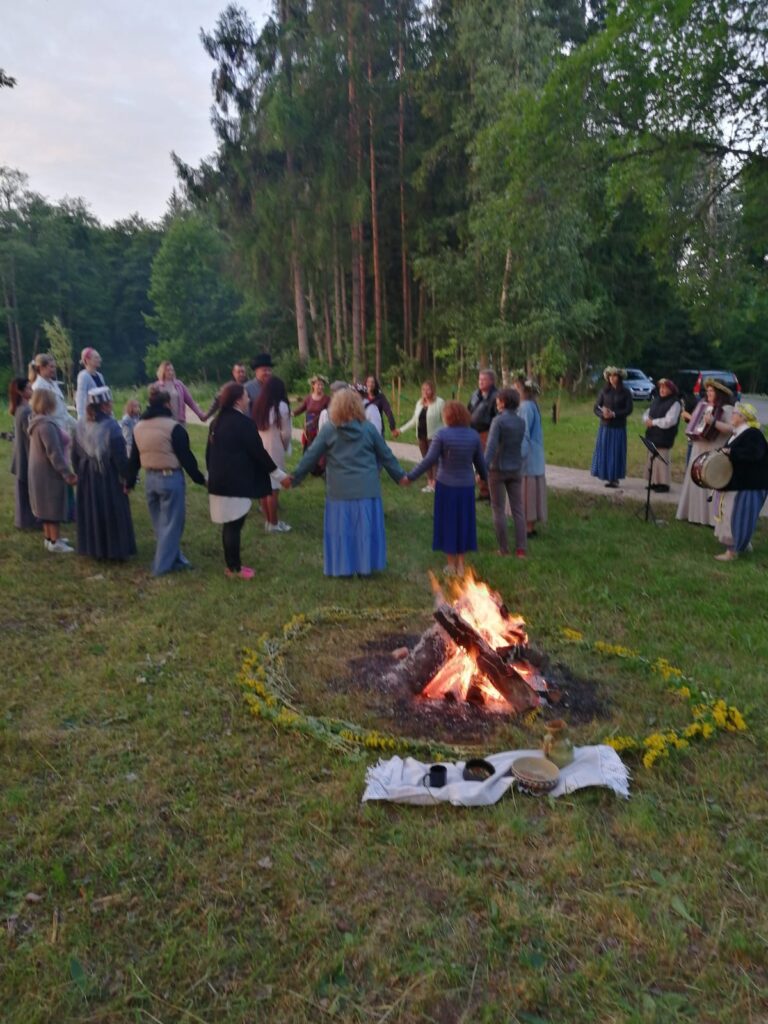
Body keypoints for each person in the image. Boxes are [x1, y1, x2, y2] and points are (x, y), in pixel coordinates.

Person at [283, 388, 408, 577]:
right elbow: (386, 455)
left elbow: (310, 456)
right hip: (367, 490)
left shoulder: (329, 430)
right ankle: (365, 567)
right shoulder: (369, 429)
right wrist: (400, 476)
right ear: (358, 406)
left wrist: (294, 478)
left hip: (339, 491)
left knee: (342, 532)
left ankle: (343, 567)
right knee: (365, 532)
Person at [126, 384, 207, 576]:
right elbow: (186, 458)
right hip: (170, 479)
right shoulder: (174, 428)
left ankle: (177, 560)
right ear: (168, 405)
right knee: (172, 525)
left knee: (161, 525)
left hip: (150, 479)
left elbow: (134, 459)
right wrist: (200, 479)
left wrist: (129, 482)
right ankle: (161, 567)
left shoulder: (138, 427)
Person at [207, 382, 282, 579]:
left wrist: (209, 475)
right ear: (238, 400)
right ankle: (234, 569)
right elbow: (259, 453)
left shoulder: (216, 422)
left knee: (229, 524)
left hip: (219, 481)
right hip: (236, 483)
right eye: (246, 396)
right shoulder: (244, 424)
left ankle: (231, 565)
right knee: (234, 525)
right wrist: (279, 475)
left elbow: (209, 454)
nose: (249, 399)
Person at [406, 400, 488, 577]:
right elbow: (480, 463)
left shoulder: (442, 435)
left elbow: (429, 460)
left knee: (449, 523)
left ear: (447, 416)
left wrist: (411, 476)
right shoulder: (473, 435)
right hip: (466, 487)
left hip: (446, 487)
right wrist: (484, 477)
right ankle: (461, 564)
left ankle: (451, 565)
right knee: (464, 523)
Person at [72, 386, 136, 561]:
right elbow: (120, 458)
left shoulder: (80, 424)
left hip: (87, 474)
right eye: (109, 403)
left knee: (92, 511)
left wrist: (80, 473)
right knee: (111, 511)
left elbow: (74, 453)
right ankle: (115, 550)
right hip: (108, 476)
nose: (111, 405)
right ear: (103, 406)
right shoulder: (112, 426)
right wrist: (127, 479)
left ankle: (95, 549)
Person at [713, 402, 768, 561]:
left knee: (737, 516)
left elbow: (755, 454)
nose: (732, 415)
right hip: (740, 481)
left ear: (743, 417)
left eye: (735, 413)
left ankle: (732, 552)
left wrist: (731, 452)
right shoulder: (738, 433)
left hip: (750, 484)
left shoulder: (753, 434)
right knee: (737, 515)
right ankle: (744, 544)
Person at [676, 379, 733, 527]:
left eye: (712, 391)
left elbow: (731, 429)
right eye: (707, 390)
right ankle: (693, 515)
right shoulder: (703, 405)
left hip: (713, 450)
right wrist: (690, 421)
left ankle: (710, 520)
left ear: (719, 393)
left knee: (709, 482)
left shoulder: (727, 409)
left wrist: (714, 422)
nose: (708, 393)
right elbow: (698, 425)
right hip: (698, 447)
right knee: (696, 479)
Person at [26, 388, 78, 553]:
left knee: (44, 505)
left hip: (38, 471)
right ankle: (55, 541)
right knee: (52, 504)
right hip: (48, 472)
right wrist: (67, 474)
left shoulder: (36, 422)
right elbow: (54, 453)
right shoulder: (46, 425)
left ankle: (49, 538)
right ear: (48, 403)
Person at [484, 388, 528, 558]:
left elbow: (491, 447)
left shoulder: (498, 421)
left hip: (498, 469)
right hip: (516, 468)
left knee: (498, 509)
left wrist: (482, 468)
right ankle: (521, 549)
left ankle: (503, 549)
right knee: (518, 510)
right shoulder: (521, 422)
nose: (496, 402)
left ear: (503, 402)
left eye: (498, 400)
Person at [253, 377, 293, 532]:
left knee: (264, 487)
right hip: (274, 447)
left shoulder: (259, 404)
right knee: (274, 488)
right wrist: (285, 446)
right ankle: (274, 524)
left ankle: (268, 522)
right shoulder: (281, 406)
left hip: (259, 446)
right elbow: (286, 433)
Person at [393, 380, 445, 493]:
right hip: (421, 436)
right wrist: (400, 430)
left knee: (434, 460)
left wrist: (448, 435)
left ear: (433, 390)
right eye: (423, 389)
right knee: (426, 460)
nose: (425, 392)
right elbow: (414, 420)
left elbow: (445, 420)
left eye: (428, 389)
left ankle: (436, 483)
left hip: (434, 437)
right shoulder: (419, 403)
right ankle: (430, 482)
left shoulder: (440, 403)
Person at [514, 376, 548, 536]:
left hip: (528, 457)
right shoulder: (532, 405)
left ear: (523, 391)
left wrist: (519, 455)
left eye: (516, 388)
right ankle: (530, 526)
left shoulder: (525, 407)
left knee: (527, 492)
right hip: (535, 455)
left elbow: (524, 433)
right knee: (531, 491)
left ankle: (527, 527)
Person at [590, 366, 633, 488]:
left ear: (619, 378)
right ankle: (606, 475)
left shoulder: (625, 392)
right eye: (610, 376)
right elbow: (596, 407)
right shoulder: (604, 391)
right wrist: (602, 414)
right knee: (605, 451)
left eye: (615, 376)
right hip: (605, 427)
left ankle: (614, 478)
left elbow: (628, 409)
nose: (612, 378)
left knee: (616, 452)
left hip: (618, 427)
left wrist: (614, 414)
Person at [641, 378, 682, 493]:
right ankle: (654, 482)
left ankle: (664, 484)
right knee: (652, 458)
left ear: (671, 390)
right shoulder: (656, 400)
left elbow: (670, 421)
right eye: (661, 387)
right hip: (652, 434)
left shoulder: (675, 403)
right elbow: (647, 413)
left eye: (665, 388)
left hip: (665, 435)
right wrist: (646, 420)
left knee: (662, 459)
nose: (662, 390)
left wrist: (653, 422)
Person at [9, 377, 38, 529]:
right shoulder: (26, 410)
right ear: (20, 392)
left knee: (24, 489)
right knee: (27, 489)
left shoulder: (21, 409)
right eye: (28, 388)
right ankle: (27, 521)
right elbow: (31, 434)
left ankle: (24, 520)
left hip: (21, 453)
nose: (31, 390)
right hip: (26, 454)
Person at [467, 369, 497, 499]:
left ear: (491, 381)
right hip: (473, 431)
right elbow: (468, 410)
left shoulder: (496, 396)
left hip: (487, 432)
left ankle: (492, 492)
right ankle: (483, 491)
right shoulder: (475, 394)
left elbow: (498, 415)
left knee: (488, 461)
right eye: (479, 379)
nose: (480, 382)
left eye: (484, 379)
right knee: (477, 462)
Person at [29, 353, 76, 435]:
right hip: (52, 430)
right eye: (51, 367)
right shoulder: (38, 387)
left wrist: (78, 425)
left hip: (63, 428)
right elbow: (42, 413)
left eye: (54, 367)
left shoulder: (53, 384)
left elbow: (62, 411)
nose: (54, 370)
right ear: (41, 368)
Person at [293, 375, 331, 456]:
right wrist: (291, 413)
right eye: (318, 384)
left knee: (319, 452)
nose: (320, 387)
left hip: (320, 429)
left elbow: (331, 414)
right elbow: (301, 408)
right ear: (313, 385)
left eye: (322, 385)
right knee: (308, 450)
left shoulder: (327, 399)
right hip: (309, 429)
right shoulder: (308, 398)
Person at [75, 348, 106, 420]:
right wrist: (82, 418)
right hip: (91, 416)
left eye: (99, 358)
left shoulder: (100, 376)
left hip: (102, 415)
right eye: (96, 358)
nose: (99, 360)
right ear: (87, 360)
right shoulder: (83, 376)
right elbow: (81, 398)